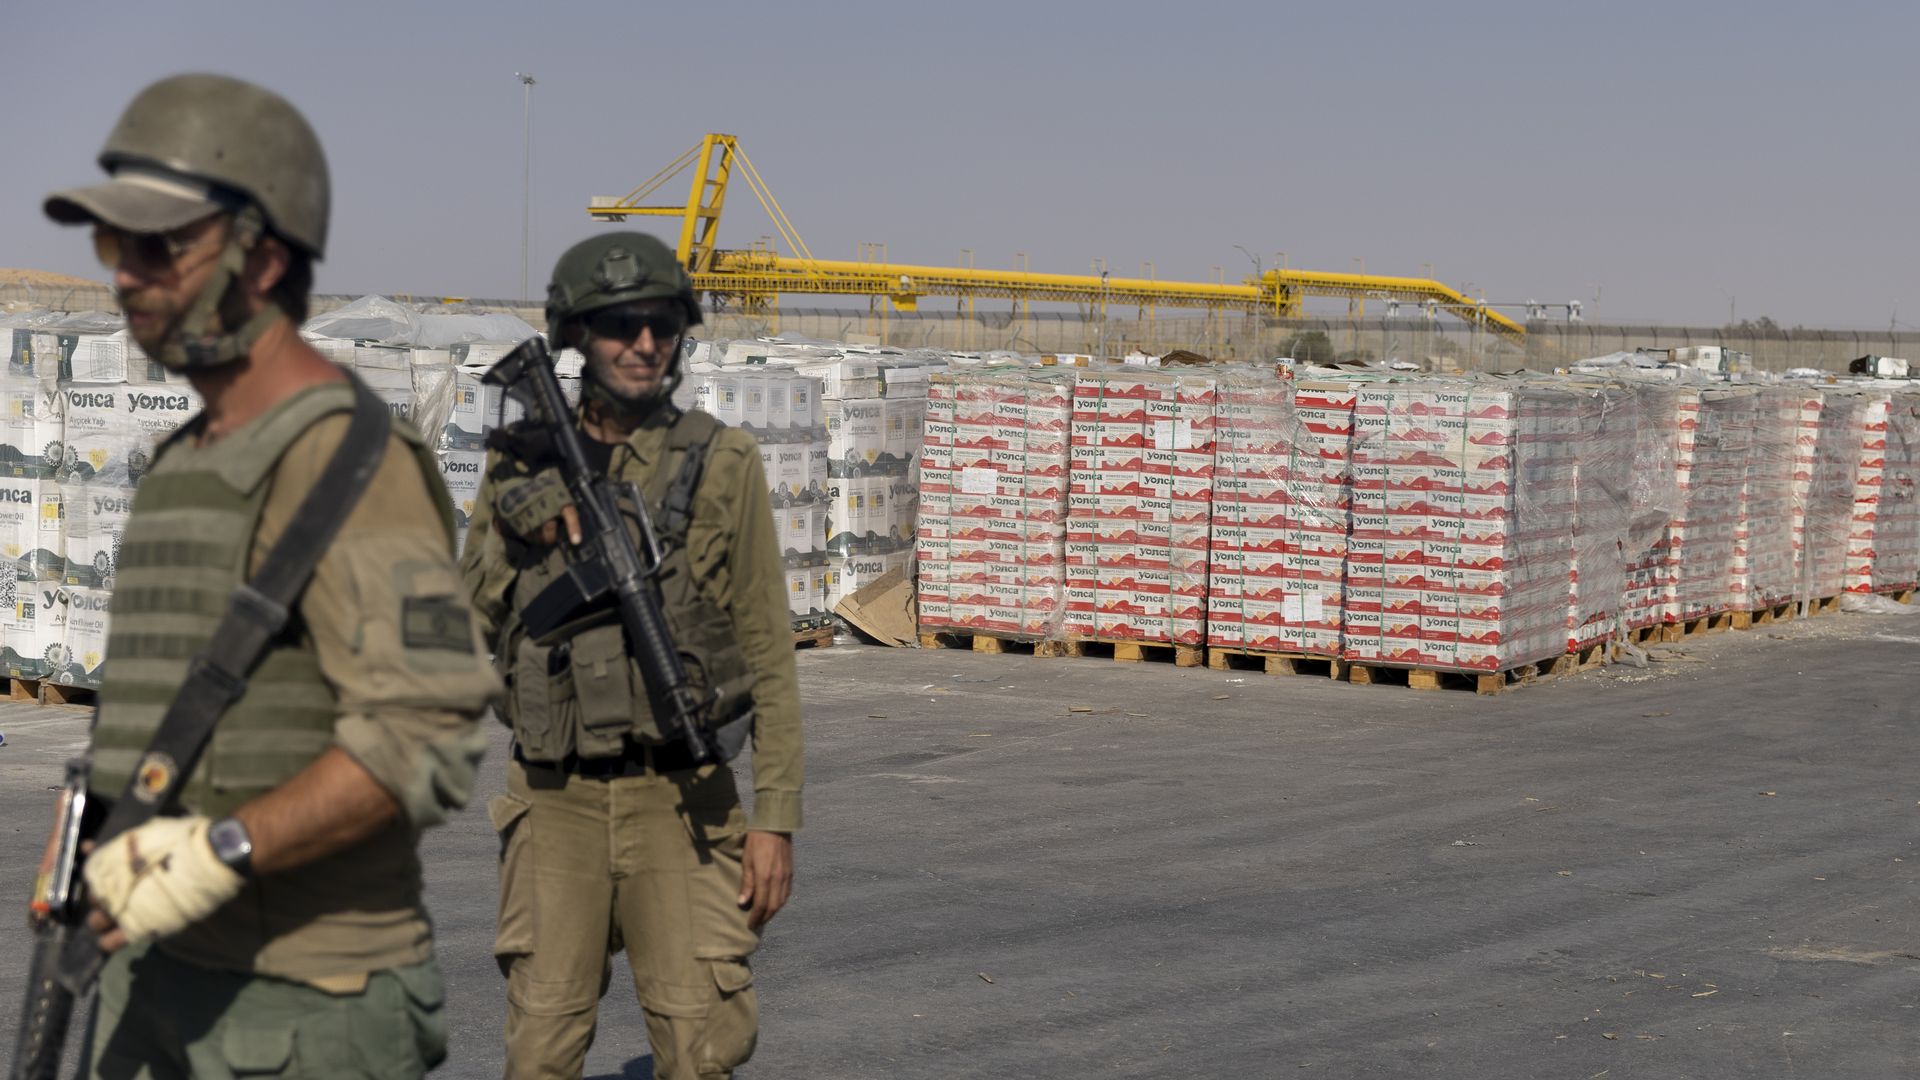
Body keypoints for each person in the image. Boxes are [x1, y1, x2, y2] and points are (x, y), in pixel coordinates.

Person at [40, 73, 498, 1077]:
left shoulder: (340, 460)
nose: (125, 276)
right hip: (153, 980)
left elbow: (420, 739)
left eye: (159, 247)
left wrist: (217, 852)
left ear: (265, 258)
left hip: (303, 1007)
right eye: (116, 247)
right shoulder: (186, 461)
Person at [460, 232, 803, 1080]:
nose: (645, 343)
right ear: (578, 336)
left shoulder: (725, 462)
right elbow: (466, 620)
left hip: (682, 798)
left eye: (661, 324)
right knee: (542, 1044)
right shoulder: (519, 464)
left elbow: (768, 647)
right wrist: (521, 519)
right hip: (553, 802)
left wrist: (776, 818)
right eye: (620, 325)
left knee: (700, 1045)